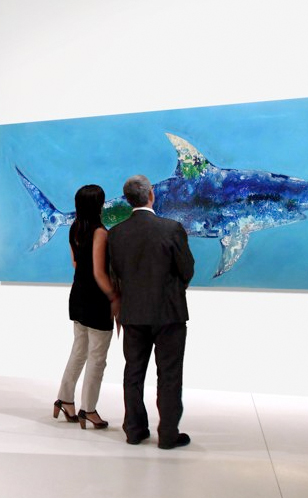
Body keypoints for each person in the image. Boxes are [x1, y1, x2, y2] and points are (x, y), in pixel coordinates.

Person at [108, 174, 195, 449]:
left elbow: (116, 273)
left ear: (127, 200)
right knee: (169, 374)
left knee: (133, 373)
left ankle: (134, 430)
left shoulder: (116, 233)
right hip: (169, 312)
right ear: (151, 195)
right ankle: (168, 434)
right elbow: (187, 269)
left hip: (133, 312)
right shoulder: (172, 229)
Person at [54, 184, 120, 429]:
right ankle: (88, 410)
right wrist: (114, 297)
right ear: (99, 205)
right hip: (96, 300)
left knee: (79, 350)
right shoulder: (100, 232)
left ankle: (65, 399)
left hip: (78, 296)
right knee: (97, 358)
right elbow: (99, 273)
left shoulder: (74, 228)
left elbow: (76, 263)